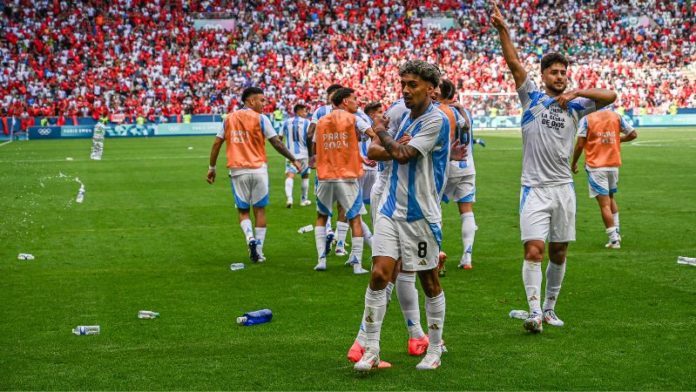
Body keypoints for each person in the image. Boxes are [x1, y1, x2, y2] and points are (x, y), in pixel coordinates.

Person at [491, 2, 617, 333]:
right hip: (534, 188)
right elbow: (513, 62)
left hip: (563, 189)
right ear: (544, 75)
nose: (559, 77)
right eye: (554, 72)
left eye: (563, 73)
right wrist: (503, 30)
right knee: (534, 249)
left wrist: (577, 90)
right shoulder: (531, 97)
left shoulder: (576, 105)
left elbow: (611, 94)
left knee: (559, 253)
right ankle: (533, 312)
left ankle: (549, 309)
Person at [353, 60, 466, 371]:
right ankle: (371, 350)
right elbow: (376, 152)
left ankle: (434, 349)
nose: (405, 90)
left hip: (422, 214)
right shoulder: (403, 118)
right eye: (402, 83)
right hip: (391, 207)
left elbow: (402, 155)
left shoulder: (436, 121)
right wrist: (391, 141)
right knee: (379, 274)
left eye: (412, 84)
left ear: (430, 89)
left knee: (428, 280)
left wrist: (380, 131)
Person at [207, 87, 303, 263]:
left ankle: (249, 237)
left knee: (243, 210)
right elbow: (276, 143)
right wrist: (293, 159)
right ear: (251, 101)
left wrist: (212, 168)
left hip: (237, 170)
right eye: (261, 100)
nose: (264, 104)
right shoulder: (261, 119)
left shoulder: (229, 119)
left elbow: (216, 143)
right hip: (258, 169)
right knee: (259, 210)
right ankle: (259, 251)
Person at [312, 87, 373, 274]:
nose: (357, 102)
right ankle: (356, 264)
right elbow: (372, 134)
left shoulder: (321, 121)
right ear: (345, 101)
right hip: (346, 176)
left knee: (322, 217)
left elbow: (317, 145)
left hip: (325, 175)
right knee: (354, 217)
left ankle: (321, 260)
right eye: (354, 99)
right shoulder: (355, 119)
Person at [570, 108, 637, 248]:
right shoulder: (616, 116)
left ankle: (614, 239)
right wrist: (618, 140)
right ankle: (616, 232)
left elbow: (580, 144)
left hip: (596, 166)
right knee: (611, 198)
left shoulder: (588, 118)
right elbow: (633, 134)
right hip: (613, 165)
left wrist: (574, 162)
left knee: (604, 204)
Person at [439, 79, 478, 270]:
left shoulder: (440, 111)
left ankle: (435, 253)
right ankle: (467, 257)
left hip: (446, 165)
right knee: (466, 209)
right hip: (467, 166)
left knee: (433, 207)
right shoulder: (465, 111)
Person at [308, 84, 345, 256]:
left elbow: (310, 134)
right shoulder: (348, 113)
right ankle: (340, 244)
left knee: (324, 204)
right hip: (344, 165)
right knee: (344, 205)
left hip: (324, 165)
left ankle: (329, 232)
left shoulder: (320, 112)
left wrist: (313, 156)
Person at [279, 104, 312, 208]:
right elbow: (310, 138)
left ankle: (289, 198)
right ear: (298, 111)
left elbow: (279, 138)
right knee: (305, 175)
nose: (306, 114)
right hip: (304, 154)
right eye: (304, 111)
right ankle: (303, 200)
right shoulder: (307, 123)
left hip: (290, 154)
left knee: (290, 175)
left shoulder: (286, 122)